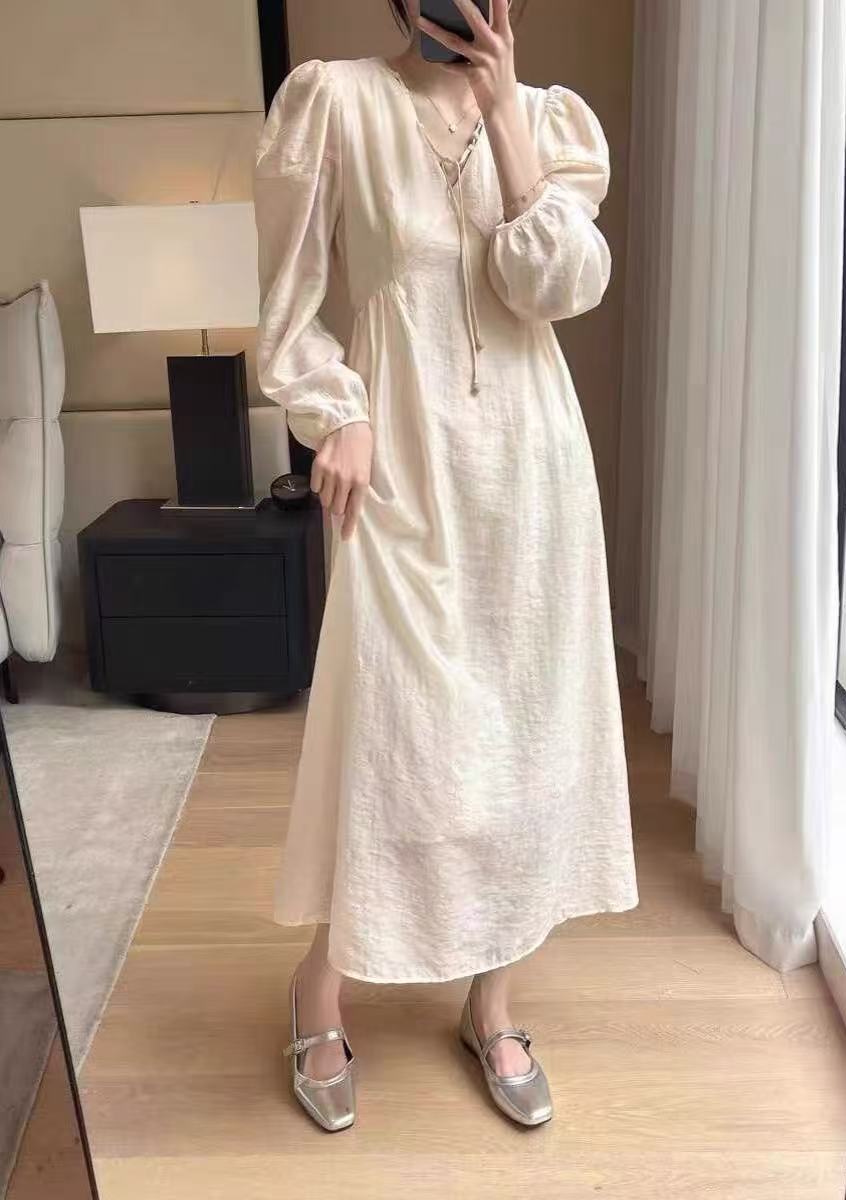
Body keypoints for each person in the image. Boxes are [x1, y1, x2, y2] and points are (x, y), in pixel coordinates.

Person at [253, 0, 638, 1132]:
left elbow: (554, 287)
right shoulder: (334, 102)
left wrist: (506, 111)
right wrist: (337, 414)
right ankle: (321, 986)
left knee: (522, 740)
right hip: (402, 468)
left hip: (531, 477)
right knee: (397, 736)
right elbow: (290, 309)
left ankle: (493, 1002)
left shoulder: (553, 123)